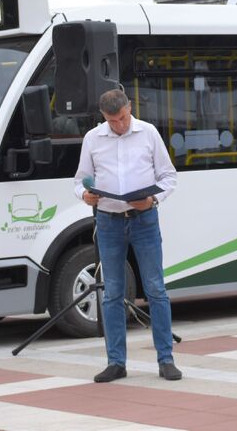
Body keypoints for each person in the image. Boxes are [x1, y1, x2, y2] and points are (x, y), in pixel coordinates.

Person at [74, 89, 181, 383]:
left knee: (155, 288)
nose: (118, 125)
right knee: (112, 293)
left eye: (121, 118)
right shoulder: (93, 138)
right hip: (108, 221)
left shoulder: (148, 133)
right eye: (112, 121)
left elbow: (169, 176)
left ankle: (166, 359)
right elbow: (79, 178)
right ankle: (116, 362)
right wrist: (85, 194)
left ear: (129, 108)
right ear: (103, 117)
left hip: (144, 218)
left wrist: (153, 200)